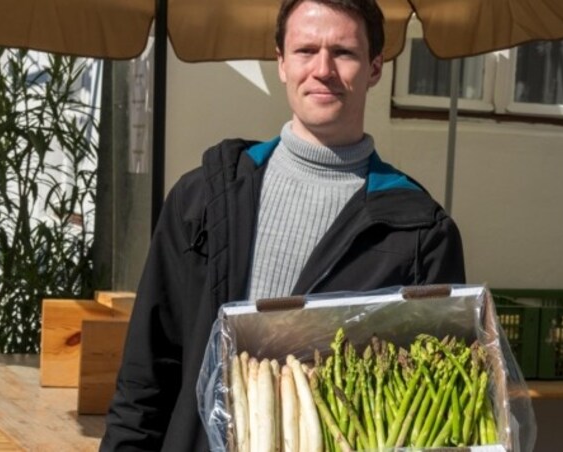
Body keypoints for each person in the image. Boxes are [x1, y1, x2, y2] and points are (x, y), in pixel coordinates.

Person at [100, 0, 465, 450]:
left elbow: (436, 418)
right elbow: (145, 381)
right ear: (281, 63)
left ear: (374, 68)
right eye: (306, 50)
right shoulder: (202, 201)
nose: (323, 69)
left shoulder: (420, 232)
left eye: (344, 53)